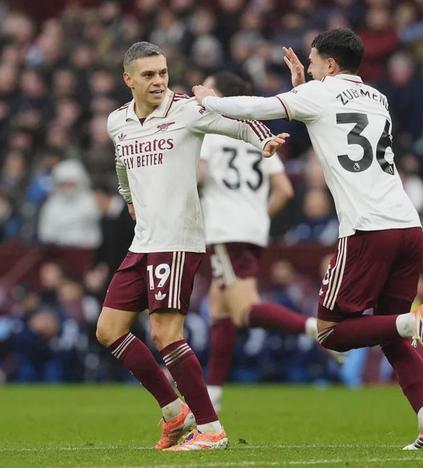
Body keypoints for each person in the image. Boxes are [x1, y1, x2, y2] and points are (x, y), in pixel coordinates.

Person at [193, 28, 423, 450]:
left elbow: (259, 107)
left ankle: (413, 321)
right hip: (408, 225)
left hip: (367, 229)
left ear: (330, 64)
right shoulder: (378, 98)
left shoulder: (320, 93)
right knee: (389, 335)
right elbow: (331, 114)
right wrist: (303, 87)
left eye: (312, 62)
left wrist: (210, 100)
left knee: (331, 333)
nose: (307, 68)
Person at [95, 42, 287, 452]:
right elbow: (121, 162)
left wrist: (264, 141)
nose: (159, 81)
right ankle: (174, 412)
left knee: (166, 333)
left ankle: (211, 428)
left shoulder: (185, 110)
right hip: (144, 239)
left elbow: (235, 123)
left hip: (178, 239)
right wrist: (128, 198)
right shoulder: (117, 121)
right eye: (149, 75)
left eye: (163, 73)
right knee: (109, 330)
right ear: (128, 79)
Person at [198, 71, 323, 412]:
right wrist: (257, 215)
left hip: (225, 229)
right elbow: (284, 190)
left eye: (207, 86)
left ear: (218, 95)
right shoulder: (257, 132)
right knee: (219, 307)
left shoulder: (212, 130)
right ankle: (213, 394)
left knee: (243, 309)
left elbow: (199, 175)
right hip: (251, 229)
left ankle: (316, 329)